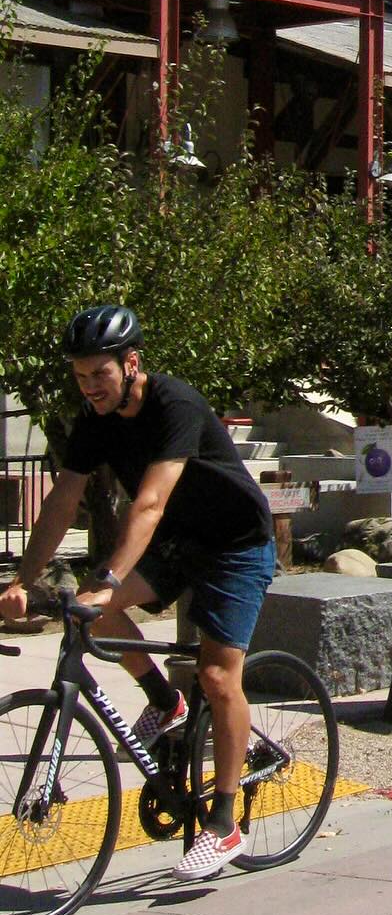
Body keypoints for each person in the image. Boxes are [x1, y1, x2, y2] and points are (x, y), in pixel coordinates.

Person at [0, 305, 276, 880]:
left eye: (98, 374)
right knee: (90, 616)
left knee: (219, 675)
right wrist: (24, 579)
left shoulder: (176, 405)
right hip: (178, 540)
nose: (90, 387)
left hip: (235, 544)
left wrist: (108, 581)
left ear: (132, 363)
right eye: (79, 376)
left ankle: (223, 825)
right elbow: (61, 501)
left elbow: (148, 503)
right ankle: (164, 701)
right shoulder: (93, 417)